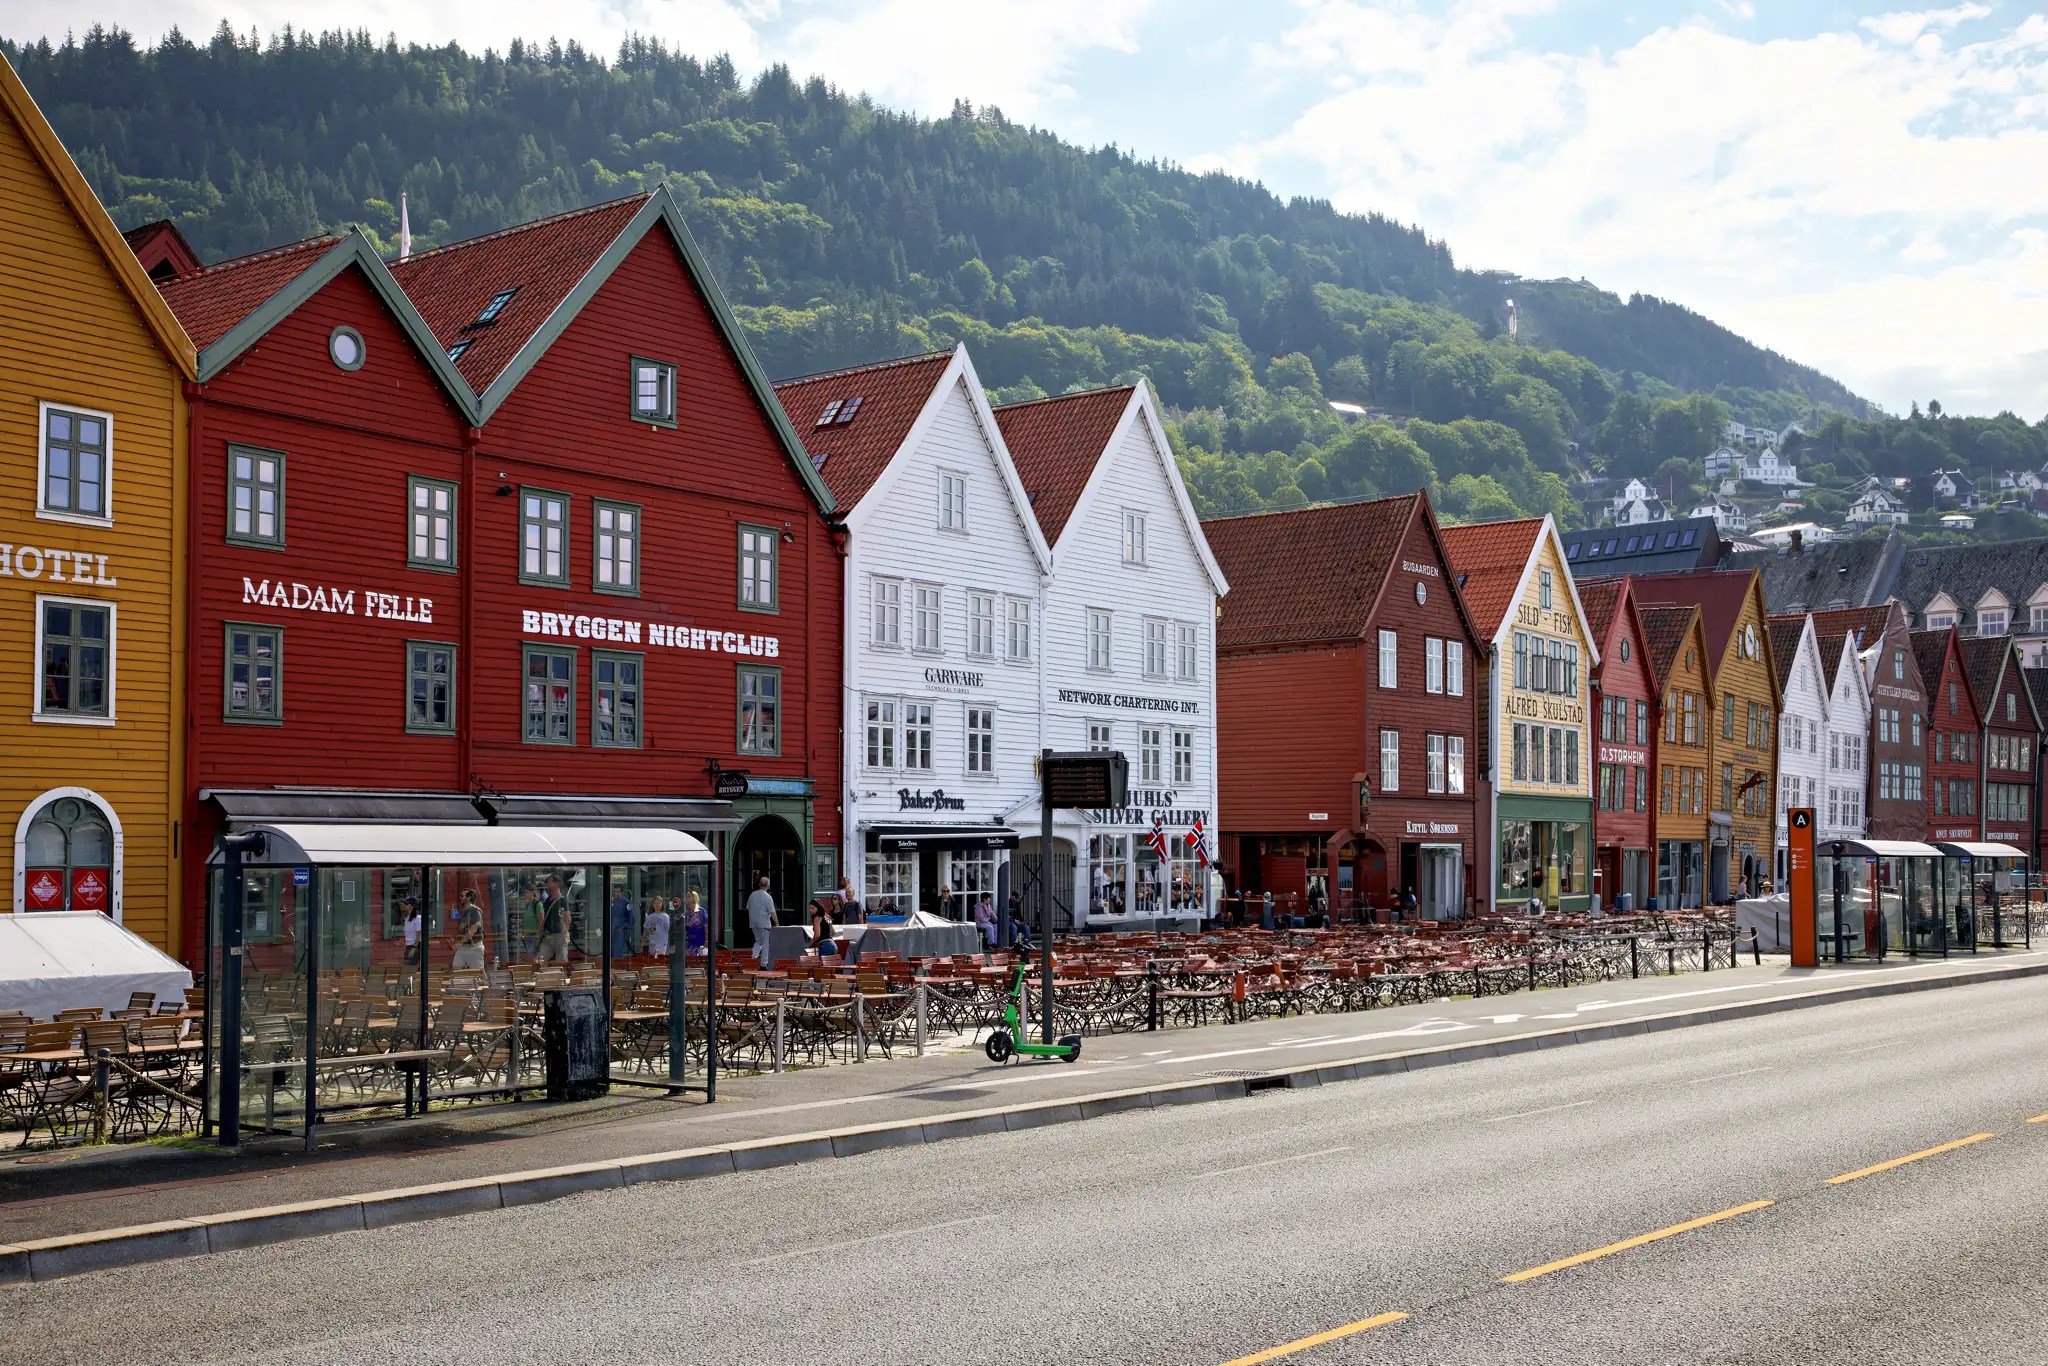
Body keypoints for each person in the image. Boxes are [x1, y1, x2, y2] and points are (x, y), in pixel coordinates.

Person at [535, 876, 568, 964]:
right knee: (540, 959)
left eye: (550, 882)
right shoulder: (547, 900)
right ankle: (540, 975)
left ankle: (562, 976)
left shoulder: (562, 900)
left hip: (559, 935)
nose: (548, 884)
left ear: (556, 884)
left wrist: (564, 933)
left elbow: (567, 918)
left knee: (561, 960)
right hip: (548, 935)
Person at [748, 874, 778, 967]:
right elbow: (772, 912)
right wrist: (777, 923)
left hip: (753, 923)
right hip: (764, 923)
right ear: (768, 886)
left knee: (758, 941)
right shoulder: (767, 896)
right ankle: (763, 964)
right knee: (765, 944)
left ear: (759, 884)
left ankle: (753, 959)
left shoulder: (752, 895)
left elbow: (749, 907)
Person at [452, 890, 486, 970]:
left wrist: (459, 943)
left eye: (462, 896)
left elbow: (473, 930)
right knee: (456, 970)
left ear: (469, 897)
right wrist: (454, 938)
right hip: (463, 947)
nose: (460, 898)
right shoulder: (463, 912)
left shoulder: (475, 911)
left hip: (474, 947)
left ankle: (485, 982)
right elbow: (461, 929)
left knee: (478, 973)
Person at [610, 885, 635, 960]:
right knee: (610, 952)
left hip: (620, 931)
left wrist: (623, 927)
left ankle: (617, 969)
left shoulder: (627, 903)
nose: (615, 893)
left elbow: (631, 919)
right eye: (614, 892)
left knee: (616, 953)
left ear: (622, 892)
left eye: (617, 892)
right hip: (611, 931)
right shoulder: (611, 902)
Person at [683, 889, 708, 958]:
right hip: (690, 941)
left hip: (700, 940)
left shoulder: (701, 911)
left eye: (688, 897)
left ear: (694, 898)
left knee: (699, 959)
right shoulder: (687, 913)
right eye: (686, 897)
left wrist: (706, 940)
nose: (686, 899)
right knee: (689, 960)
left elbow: (706, 926)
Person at [401, 896, 423, 966]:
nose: (404, 905)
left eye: (406, 903)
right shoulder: (407, 918)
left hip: (414, 946)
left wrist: (414, 948)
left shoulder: (418, 918)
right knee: (407, 967)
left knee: (410, 968)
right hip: (408, 945)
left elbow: (418, 935)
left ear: (412, 906)